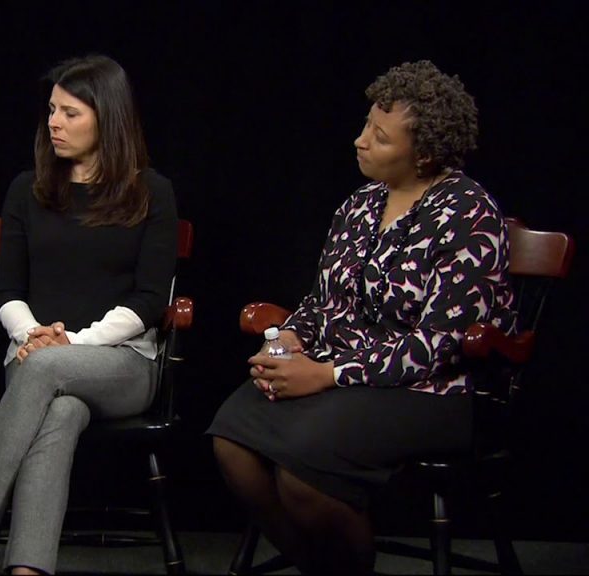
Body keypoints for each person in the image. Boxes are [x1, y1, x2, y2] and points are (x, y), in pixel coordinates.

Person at [208, 60, 516, 574]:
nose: (360, 141)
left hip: (432, 391)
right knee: (233, 437)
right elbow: (322, 302)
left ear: (424, 154)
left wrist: (327, 374)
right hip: (340, 378)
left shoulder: (467, 211)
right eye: (366, 126)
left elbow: (440, 343)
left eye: (380, 137)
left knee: (304, 467)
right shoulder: (360, 204)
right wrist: (284, 341)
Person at [0, 54, 178, 575]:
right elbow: (7, 290)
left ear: (108, 117)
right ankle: (27, 569)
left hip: (120, 363)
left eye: (71, 112)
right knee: (58, 411)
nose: (54, 122)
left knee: (44, 371)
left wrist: (70, 345)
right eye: (52, 110)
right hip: (33, 354)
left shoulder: (153, 192)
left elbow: (150, 302)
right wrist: (33, 334)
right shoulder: (27, 189)